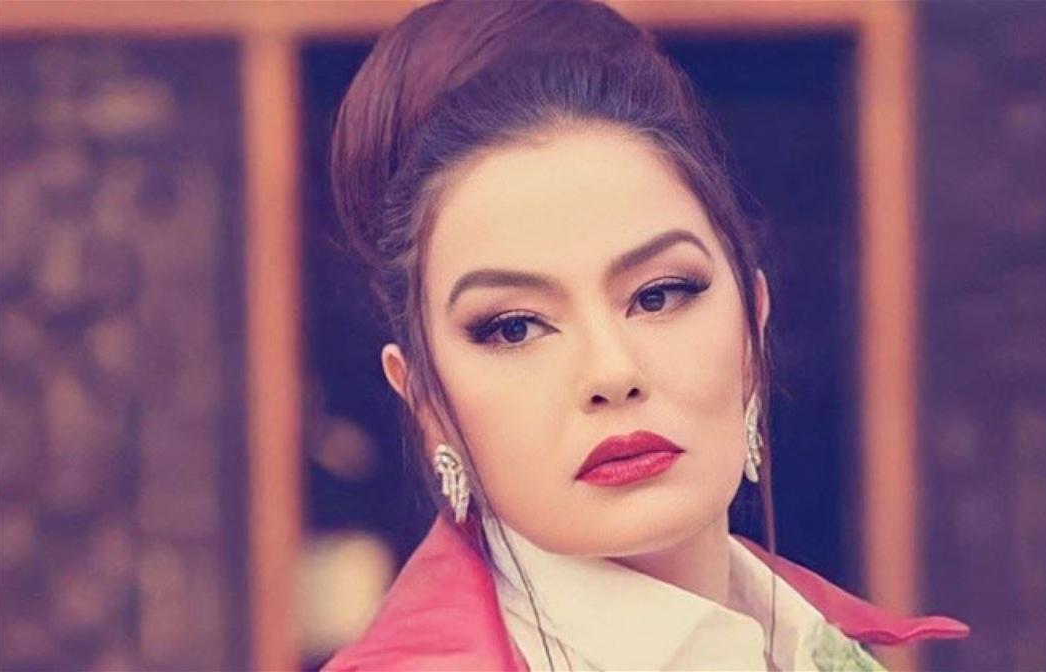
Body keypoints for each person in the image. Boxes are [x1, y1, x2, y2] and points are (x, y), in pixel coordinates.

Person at [320, 1, 968, 669]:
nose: (611, 371)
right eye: (515, 328)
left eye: (658, 295)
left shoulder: (810, 647)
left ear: (752, 321)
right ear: (425, 399)